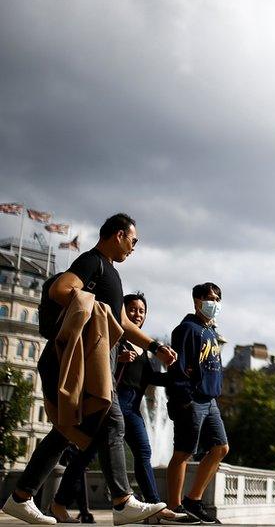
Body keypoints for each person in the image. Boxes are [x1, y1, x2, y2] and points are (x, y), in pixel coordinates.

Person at [2, 213, 177, 525]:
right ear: (119, 234)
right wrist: (96, 310)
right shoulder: (91, 261)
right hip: (79, 360)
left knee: (65, 431)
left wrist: (154, 346)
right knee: (113, 422)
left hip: (92, 362)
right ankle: (122, 501)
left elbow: (122, 323)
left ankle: (21, 497)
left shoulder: (110, 272)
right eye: (133, 241)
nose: (133, 248)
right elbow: (61, 289)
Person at [50, 293, 195, 524]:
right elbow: (94, 366)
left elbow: (151, 379)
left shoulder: (144, 349)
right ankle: (58, 503)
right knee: (85, 456)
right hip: (110, 406)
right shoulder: (115, 337)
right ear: (122, 312)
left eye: (141, 311)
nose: (137, 314)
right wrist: (117, 360)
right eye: (132, 309)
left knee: (143, 453)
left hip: (133, 410)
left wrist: (182, 374)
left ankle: (154, 508)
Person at [165, 282, 230, 524]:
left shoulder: (211, 332)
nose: (215, 303)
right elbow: (177, 367)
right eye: (210, 298)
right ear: (197, 301)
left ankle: (194, 499)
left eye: (218, 299)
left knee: (221, 448)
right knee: (183, 452)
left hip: (210, 399)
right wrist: (183, 399)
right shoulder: (186, 330)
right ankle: (174, 507)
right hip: (192, 399)